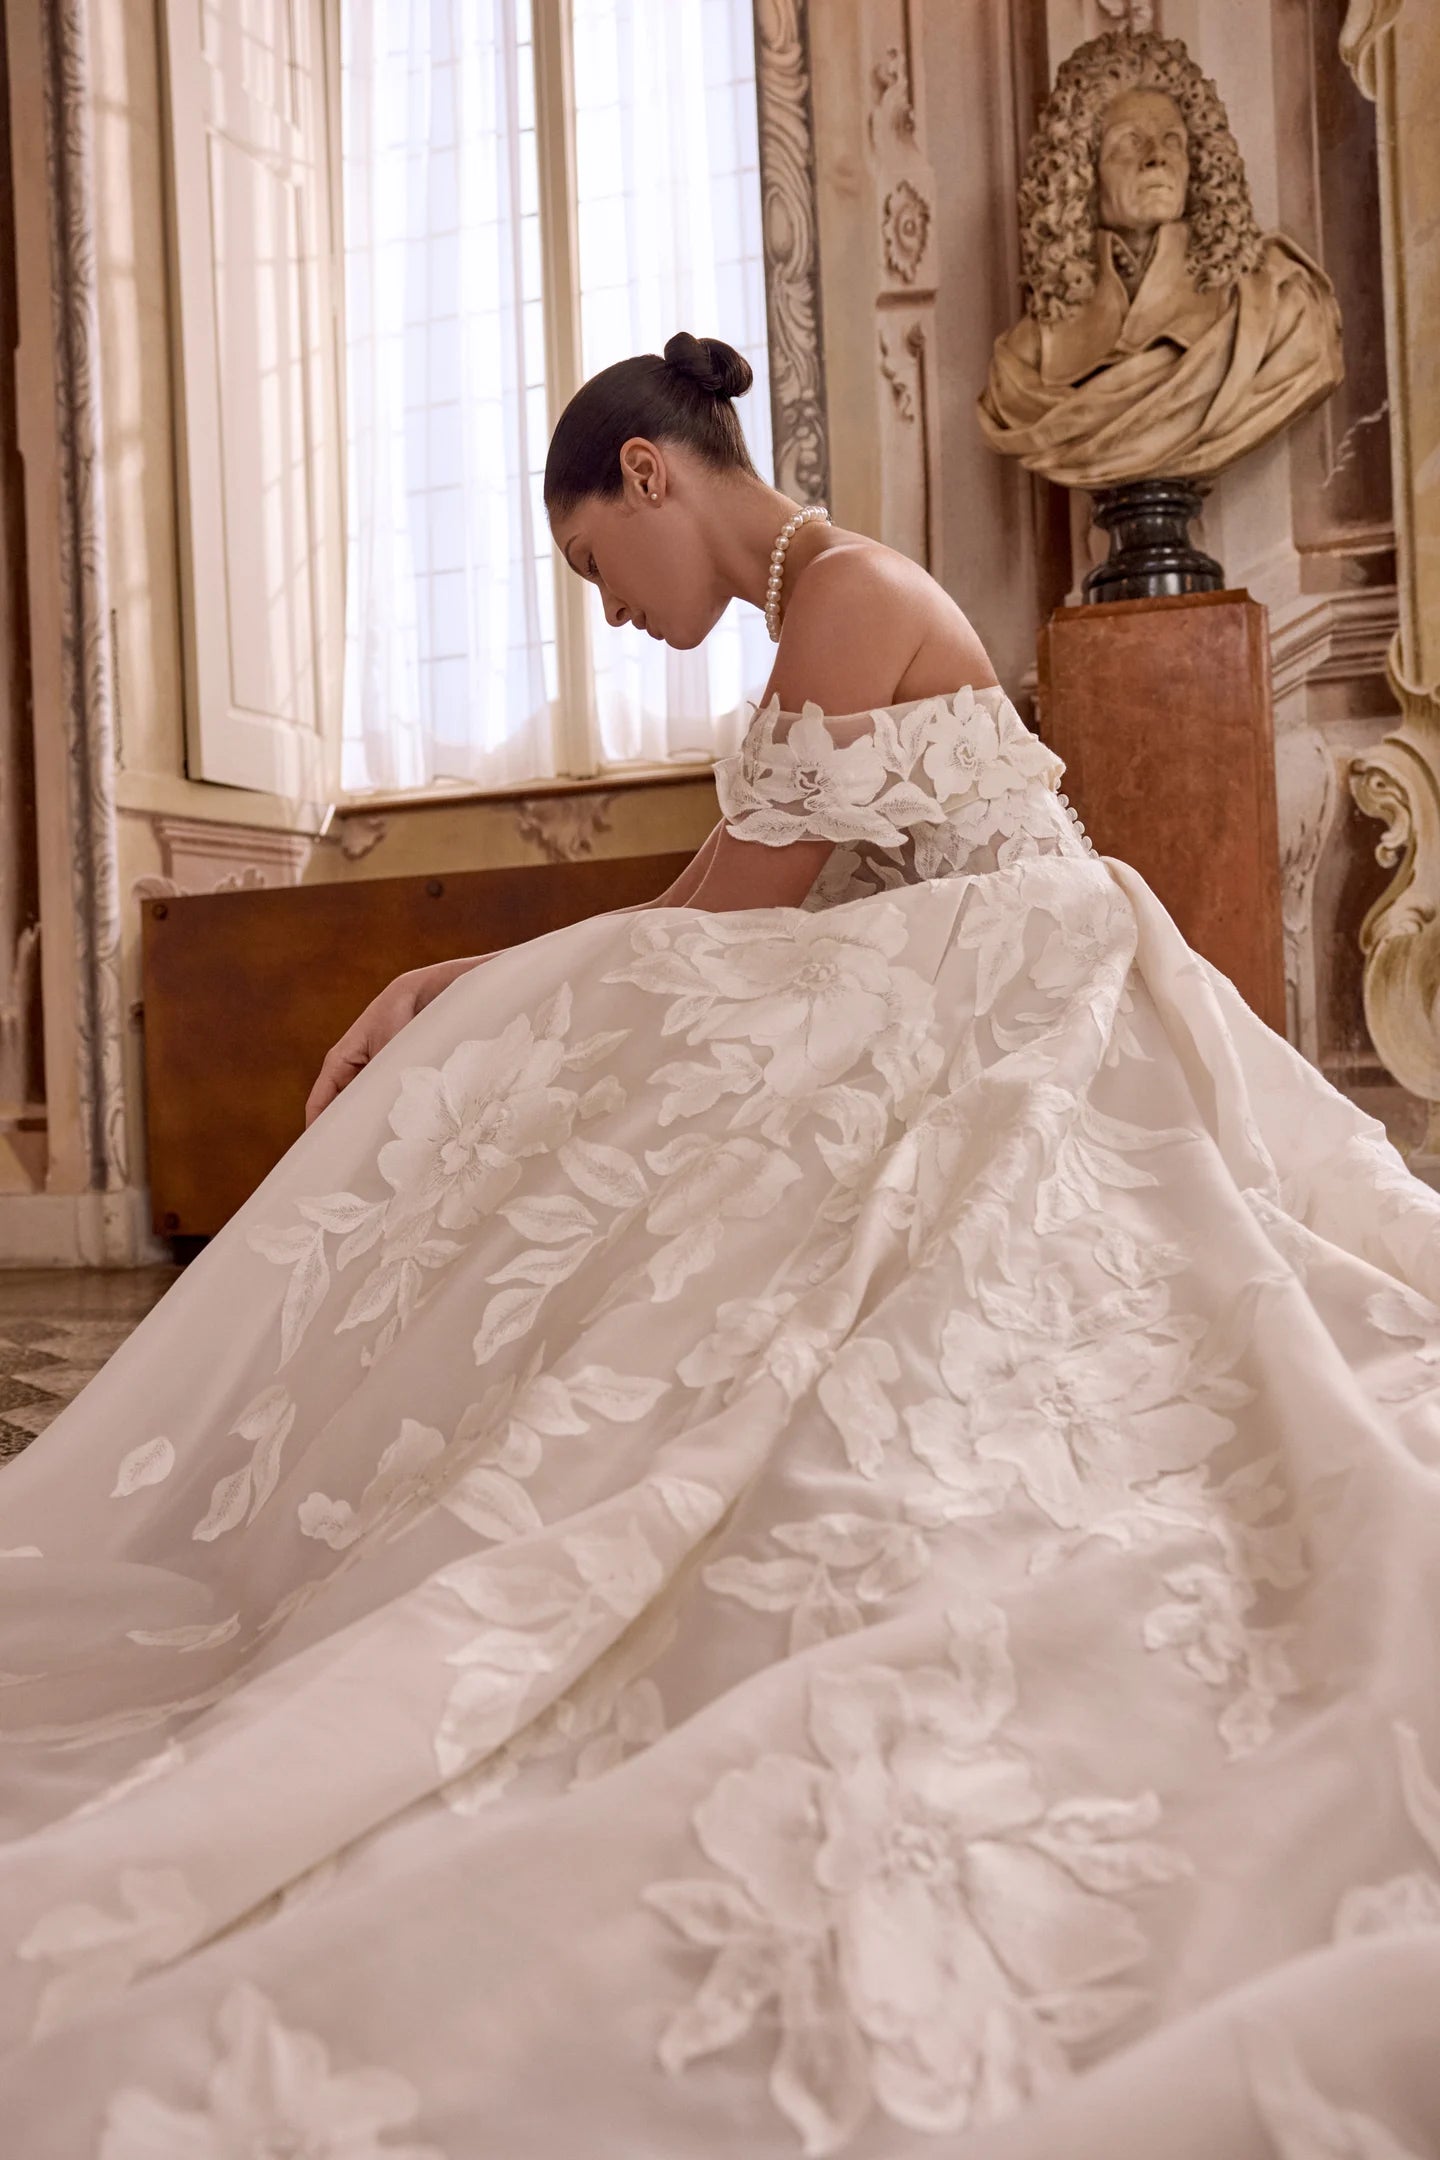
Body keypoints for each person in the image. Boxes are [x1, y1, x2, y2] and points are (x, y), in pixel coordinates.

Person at [1, 331, 1438, 2160]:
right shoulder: (813, 614)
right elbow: (708, 912)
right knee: (583, 1052)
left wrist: (486, 993)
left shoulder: (843, 598)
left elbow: (727, 919)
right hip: (949, 984)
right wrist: (469, 976)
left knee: (614, 1071)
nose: (610, 617)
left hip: (1016, 994)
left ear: (652, 478)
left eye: (598, 566)